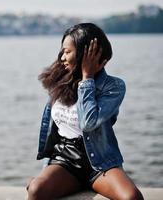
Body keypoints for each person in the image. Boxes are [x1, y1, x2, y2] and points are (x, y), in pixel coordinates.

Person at [26, 23, 144, 200]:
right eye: (62, 51)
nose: (62, 58)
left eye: (67, 52)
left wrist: (87, 78)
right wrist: (46, 173)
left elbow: (88, 123)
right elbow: (54, 131)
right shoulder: (59, 80)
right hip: (65, 159)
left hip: (99, 162)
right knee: (36, 190)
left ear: (85, 53)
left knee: (132, 197)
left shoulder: (113, 87)